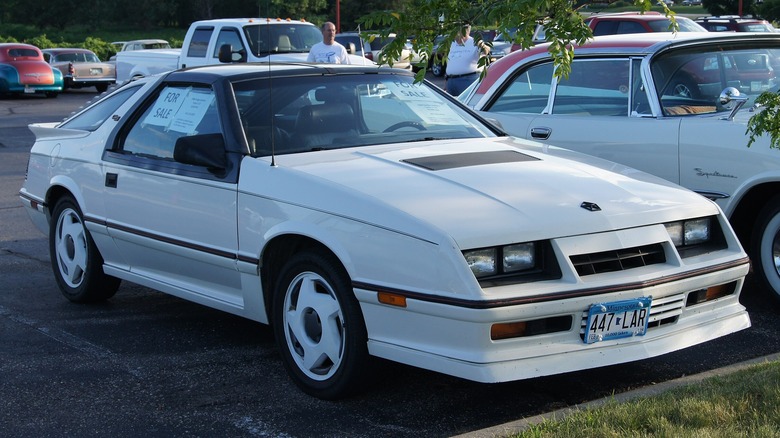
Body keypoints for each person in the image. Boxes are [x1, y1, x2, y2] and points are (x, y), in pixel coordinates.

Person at [445, 24, 488, 96]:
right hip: (451, 80)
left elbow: (486, 51)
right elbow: (450, 63)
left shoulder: (474, 42)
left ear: (467, 31)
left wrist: (483, 46)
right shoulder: (452, 44)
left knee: (466, 104)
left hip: (468, 80)